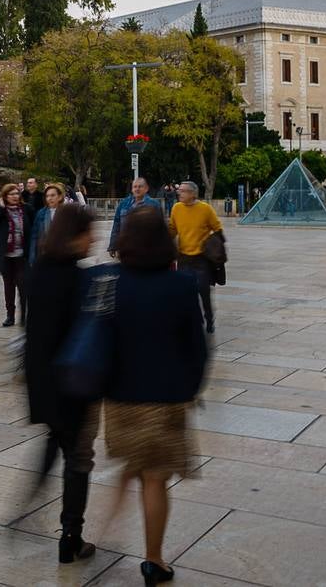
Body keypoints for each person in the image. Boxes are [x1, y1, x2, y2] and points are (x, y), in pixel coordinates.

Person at [107, 207, 209, 585]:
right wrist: (190, 388)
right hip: (165, 399)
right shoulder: (181, 285)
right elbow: (198, 349)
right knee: (155, 479)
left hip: (120, 398)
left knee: (136, 467)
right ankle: (153, 560)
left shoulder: (111, 282)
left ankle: (109, 520)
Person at [22, 204, 100, 564]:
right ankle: (71, 536)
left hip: (42, 381)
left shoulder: (38, 271)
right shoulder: (78, 279)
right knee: (78, 458)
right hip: (73, 385)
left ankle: (27, 506)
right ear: (74, 236)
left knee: (59, 445)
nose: (92, 240)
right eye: (88, 233)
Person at [168, 181, 221, 334]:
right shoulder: (176, 208)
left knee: (203, 290)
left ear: (193, 194)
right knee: (185, 291)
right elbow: (172, 229)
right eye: (179, 190)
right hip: (183, 258)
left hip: (201, 258)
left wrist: (215, 249)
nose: (179, 193)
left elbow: (217, 228)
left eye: (183, 191)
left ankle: (209, 318)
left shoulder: (205, 209)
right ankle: (195, 319)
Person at [0, 182, 31, 327]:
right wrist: (0, 207)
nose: (15, 196)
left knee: (23, 286)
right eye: (11, 194)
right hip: (6, 255)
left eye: (17, 193)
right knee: (9, 287)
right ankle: (10, 315)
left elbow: (33, 226)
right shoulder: (2, 211)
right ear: (5, 196)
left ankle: (24, 316)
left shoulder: (26, 209)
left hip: (22, 255)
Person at [109, 177, 161, 254]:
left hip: (148, 248)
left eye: (140, 186)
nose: (137, 189)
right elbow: (116, 225)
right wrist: (113, 246)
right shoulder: (123, 203)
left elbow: (160, 228)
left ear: (146, 188)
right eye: (135, 187)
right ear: (132, 189)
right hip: (126, 247)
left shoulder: (154, 204)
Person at [29, 183, 64, 266]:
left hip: (62, 256)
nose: (49, 198)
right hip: (44, 254)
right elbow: (34, 236)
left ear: (60, 197)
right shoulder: (41, 213)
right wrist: (32, 256)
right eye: (47, 196)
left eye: (52, 195)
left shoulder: (67, 212)